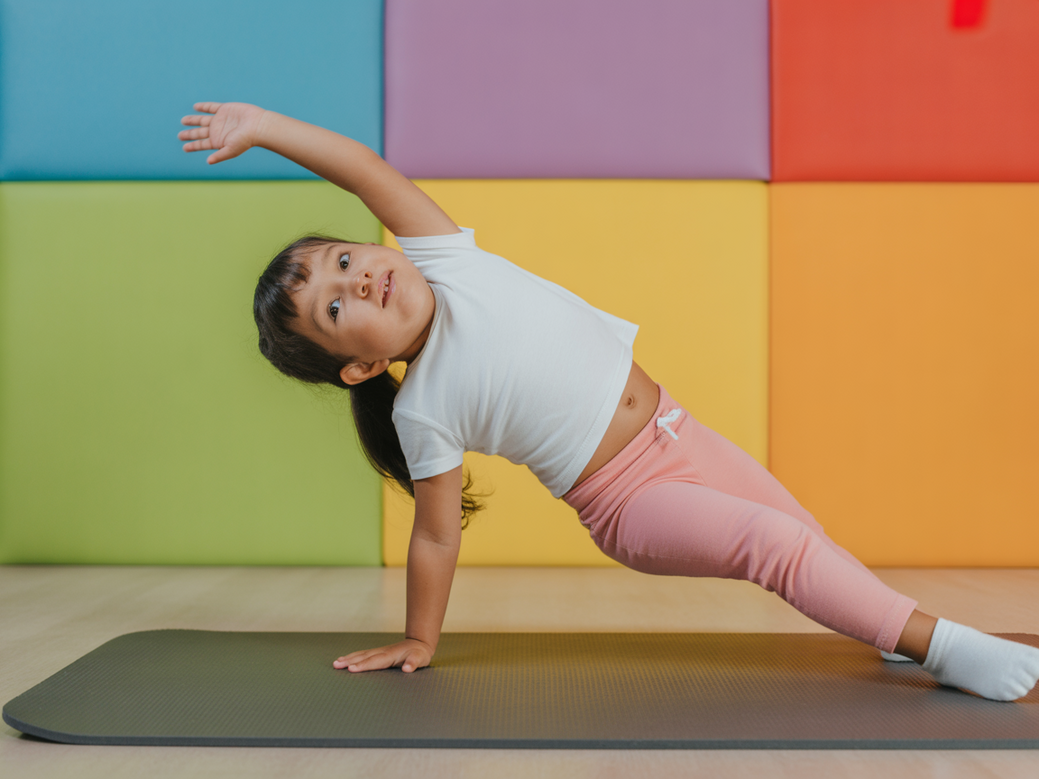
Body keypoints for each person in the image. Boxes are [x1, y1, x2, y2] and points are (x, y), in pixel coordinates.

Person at [179, 102, 1039, 702]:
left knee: (802, 527)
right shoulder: (422, 410)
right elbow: (436, 532)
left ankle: (884, 627)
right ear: (357, 370)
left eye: (341, 261)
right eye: (336, 309)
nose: (355, 280)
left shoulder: (448, 257)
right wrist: (419, 638)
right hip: (629, 502)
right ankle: (942, 645)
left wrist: (264, 129)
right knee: (771, 544)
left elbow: (364, 170)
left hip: (680, 432)